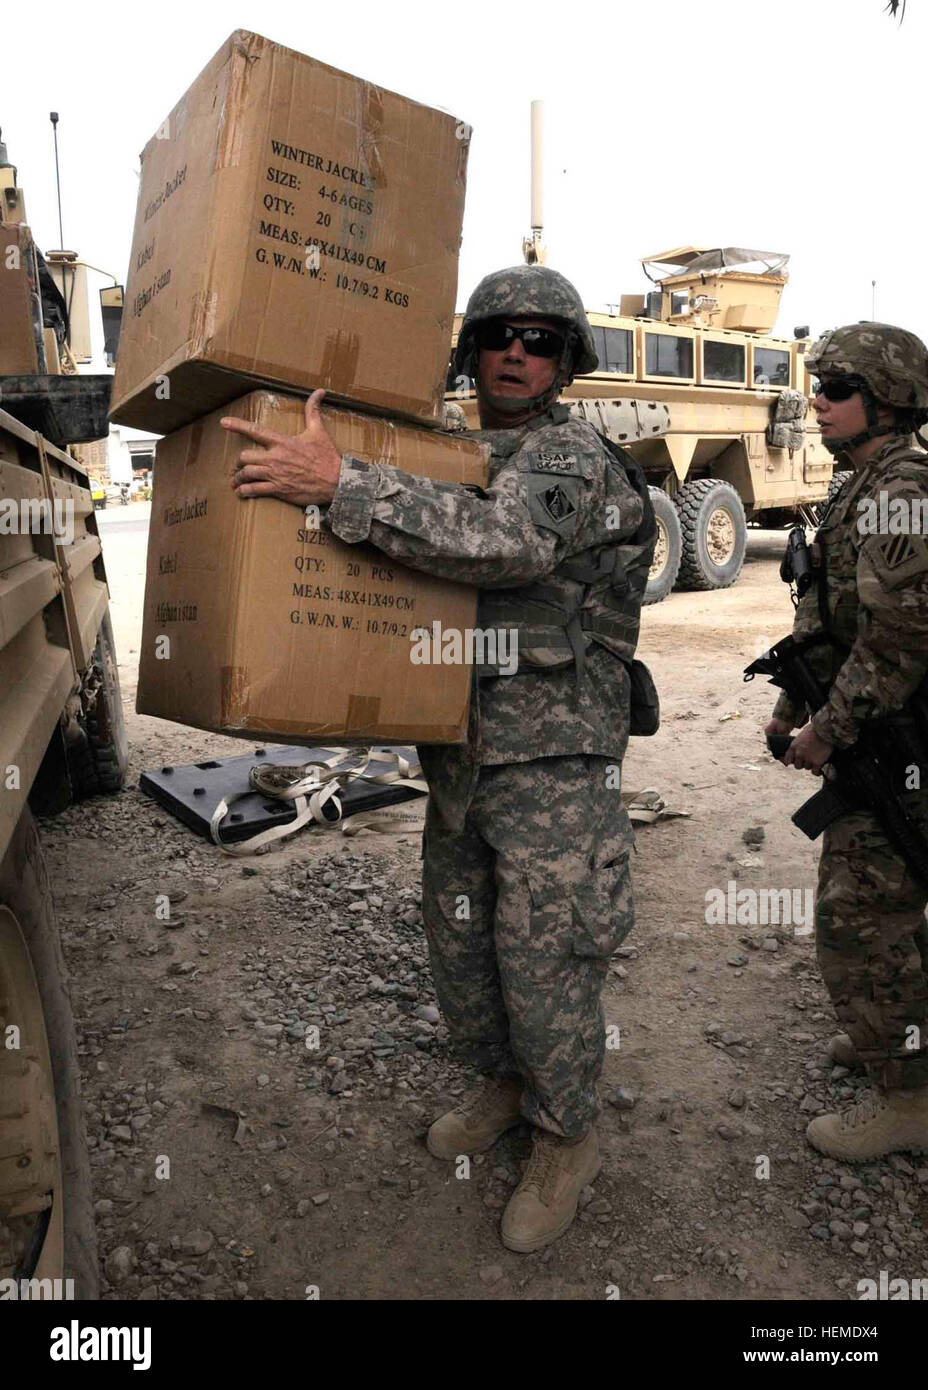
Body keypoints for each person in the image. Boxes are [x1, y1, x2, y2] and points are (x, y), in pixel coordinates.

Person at [220, 265, 655, 1250]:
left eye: (541, 340)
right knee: (463, 949)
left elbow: (505, 547)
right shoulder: (452, 448)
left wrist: (342, 485)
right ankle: (505, 1080)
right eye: (500, 332)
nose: (515, 351)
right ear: (472, 346)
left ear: (566, 360)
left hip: (551, 756)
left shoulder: (568, 455)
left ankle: (564, 1135)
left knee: (546, 956)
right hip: (461, 748)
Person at [764, 321, 928, 1161]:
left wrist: (829, 732)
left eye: (836, 390)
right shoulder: (861, 483)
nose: (817, 403)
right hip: (878, 729)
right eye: (817, 387)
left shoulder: (903, 488)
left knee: (861, 917)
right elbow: (827, 613)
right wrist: (796, 699)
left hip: (901, 740)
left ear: (887, 400)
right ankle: (891, 1042)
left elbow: (899, 640)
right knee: (894, 906)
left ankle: (909, 1097)